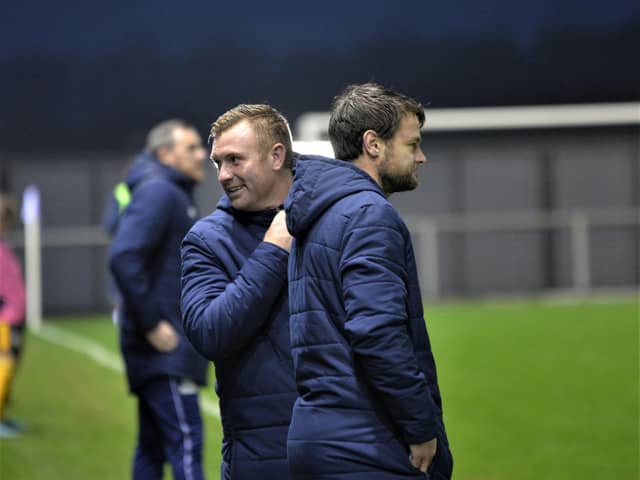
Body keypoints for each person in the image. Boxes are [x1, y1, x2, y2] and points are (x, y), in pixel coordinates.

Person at [284, 83, 453, 479]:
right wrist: (420, 426)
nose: (421, 157)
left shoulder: (317, 212)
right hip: (365, 446)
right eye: (412, 145)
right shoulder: (368, 214)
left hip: (319, 437)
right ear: (373, 144)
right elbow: (376, 331)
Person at [180, 104, 297, 479]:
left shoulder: (327, 220)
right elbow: (210, 332)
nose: (223, 175)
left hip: (343, 447)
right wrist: (273, 250)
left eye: (235, 160)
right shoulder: (206, 239)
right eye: (218, 163)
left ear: (277, 156)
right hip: (261, 456)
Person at [108, 119, 209, 480]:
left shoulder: (171, 190)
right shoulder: (160, 192)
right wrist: (152, 324)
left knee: (152, 447)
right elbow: (123, 256)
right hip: (164, 349)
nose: (203, 155)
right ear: (165, 154)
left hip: (165, 348)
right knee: (186, 441)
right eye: (192, 148)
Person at [0, 193, 27, 439]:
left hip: (14, 318)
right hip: (5, 320)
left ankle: (4, 416)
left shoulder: (5, 248)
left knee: (11, 364)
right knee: (4, 366)